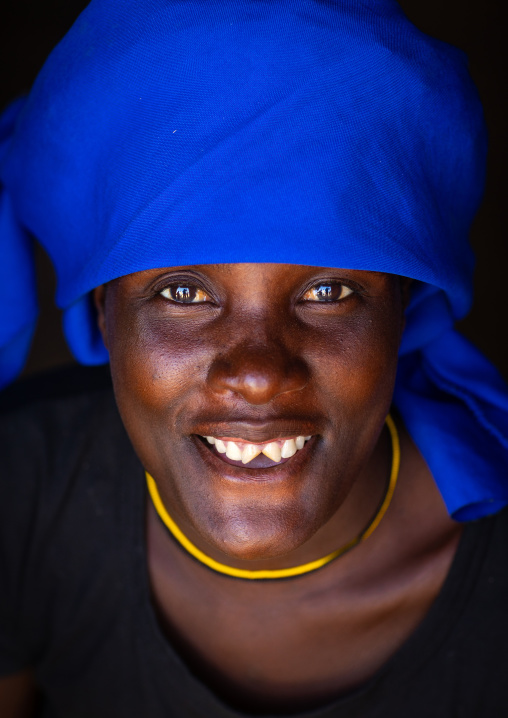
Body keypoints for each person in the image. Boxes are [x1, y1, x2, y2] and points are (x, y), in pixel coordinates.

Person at [1, 1, 508, 716]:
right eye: (184, 291)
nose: (260, 370)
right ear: (101, 314)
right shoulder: (21, 494)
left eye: (328, 291)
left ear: (406, 311)